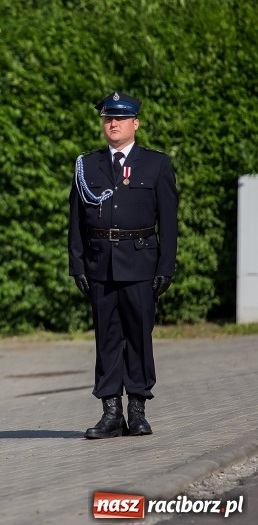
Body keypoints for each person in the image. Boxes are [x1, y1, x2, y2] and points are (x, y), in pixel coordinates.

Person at [68, 92, 178, 439]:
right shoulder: (88, 165)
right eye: (106, 119)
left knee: (139, 337)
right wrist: (78, 266)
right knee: (107, 339)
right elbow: (75, 222)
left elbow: (169, 222)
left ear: (135, 124)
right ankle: (111, 412)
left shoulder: (156, 164)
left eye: (119, 119)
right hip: (101, 264)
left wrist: (166, 267)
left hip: (142, 262)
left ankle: (138, 409)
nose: (112, 124)